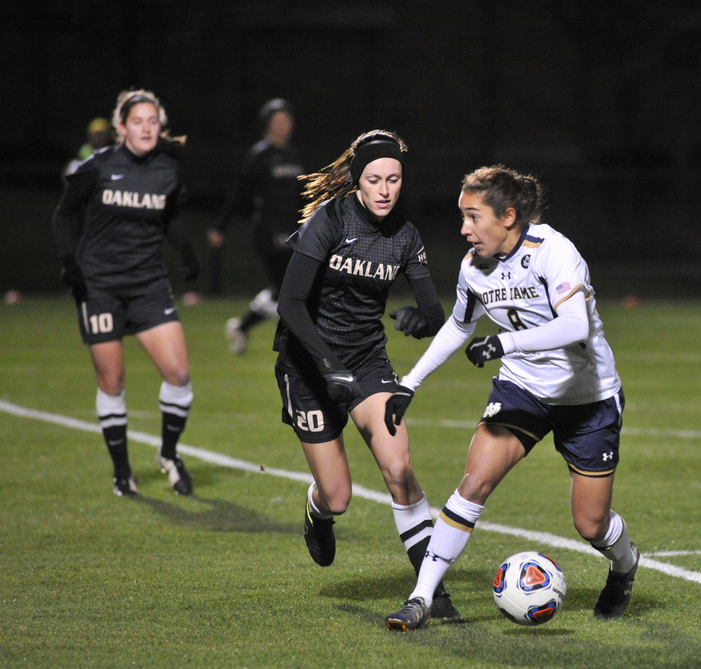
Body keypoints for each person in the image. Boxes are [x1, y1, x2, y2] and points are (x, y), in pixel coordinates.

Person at [384, 165, 639, 631]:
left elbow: (574, 325)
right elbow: (460, 326)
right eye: (462, 217)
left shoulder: (554, 251)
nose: (464, 229)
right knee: (473, 483)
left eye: (472, 217)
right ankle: (420, 598)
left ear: (508, 216)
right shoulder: (472, 266)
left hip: (589, 397)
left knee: (591, 524)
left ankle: (624, 566)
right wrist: (409, 382)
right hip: (522, 389)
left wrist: (504, 343)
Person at [273, 129, 459, 620]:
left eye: (393, 179)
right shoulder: (329, 221)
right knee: (339, 497)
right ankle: (317, 512)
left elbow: (435, 311)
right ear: (357, 181)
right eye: (374, 179)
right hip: (308, 366)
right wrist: (327, 365)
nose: (384, 189)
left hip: (367, 361)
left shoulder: (405, 235)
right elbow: (289, 304)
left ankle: (431, 592)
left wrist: (422, 322)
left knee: (399, 471)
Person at [52, 88, 200, 497]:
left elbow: (166, 215)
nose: (147, 128)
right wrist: (69, 260)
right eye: (138, 121)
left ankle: (168, 454)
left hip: (148, 282)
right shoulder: (97, 166)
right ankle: (122, 473)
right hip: (98, 285)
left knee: (180, 374)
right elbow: (64, 213)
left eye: (153, 121)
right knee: (113, 381)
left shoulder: (169, 168)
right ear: (121, 128)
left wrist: (185, 249)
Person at [209, 98, 305, 354]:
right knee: (289, 288)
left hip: (292, 229)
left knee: (286, 288)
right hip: (267, 231)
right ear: (267, 125)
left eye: (286, 121)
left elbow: (300, 196)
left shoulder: (293, 154)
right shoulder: (260, 155)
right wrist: (221, 226)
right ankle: (297, 341)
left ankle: (242, 326)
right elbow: (240, 193)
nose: (283, 126)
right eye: (277, 122)